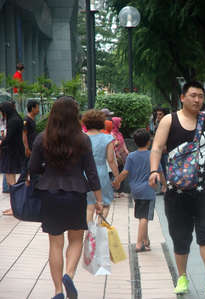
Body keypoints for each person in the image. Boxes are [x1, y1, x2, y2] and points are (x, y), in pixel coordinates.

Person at [149, 81, 205, 296]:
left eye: (200, 96)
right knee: (180, 236)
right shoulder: (169, 120)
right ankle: (182, 277)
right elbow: (156, 147)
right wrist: (154, 170)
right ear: (182, 97)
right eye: (193, 95)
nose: (197, 100)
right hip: (177, 191)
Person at [29, 96, 103, 299]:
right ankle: (69, 275)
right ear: (74, 116)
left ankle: (58, 291)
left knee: (55, 243)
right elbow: (92, 172)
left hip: (50, 195)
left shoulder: (42, 138)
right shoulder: (82, 139)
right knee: (76, 239)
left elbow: (33, 168)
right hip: (76, 194)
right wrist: (99, 199)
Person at [113, 129, 166, 252]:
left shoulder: (131, 156)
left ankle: (146, 240)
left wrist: (117, 181)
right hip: (148, 190)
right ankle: (138, 243)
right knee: (144, 217)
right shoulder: (153, 155)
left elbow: (125, 172)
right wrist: (164, 185)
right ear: (149, 142)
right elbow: (160, 173)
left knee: (142, 215)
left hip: (135, 191)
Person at [81, 109, 119, 221]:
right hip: (101, 173)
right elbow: (111, 160)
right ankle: (99, 228)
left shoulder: (81, 137)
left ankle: (90, 234)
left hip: (84, 173)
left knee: (89, 206)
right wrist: (117, 177)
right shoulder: (107, 138)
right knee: (105, 204)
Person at [0, 102, 25, 215]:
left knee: (11, 182)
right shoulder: (17, 118)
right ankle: (14, 207)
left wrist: (1, 142)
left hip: (11, 153)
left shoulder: (12, 121)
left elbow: (9, 138)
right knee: (11, 181)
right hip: (14, 152)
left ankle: (14, 208)